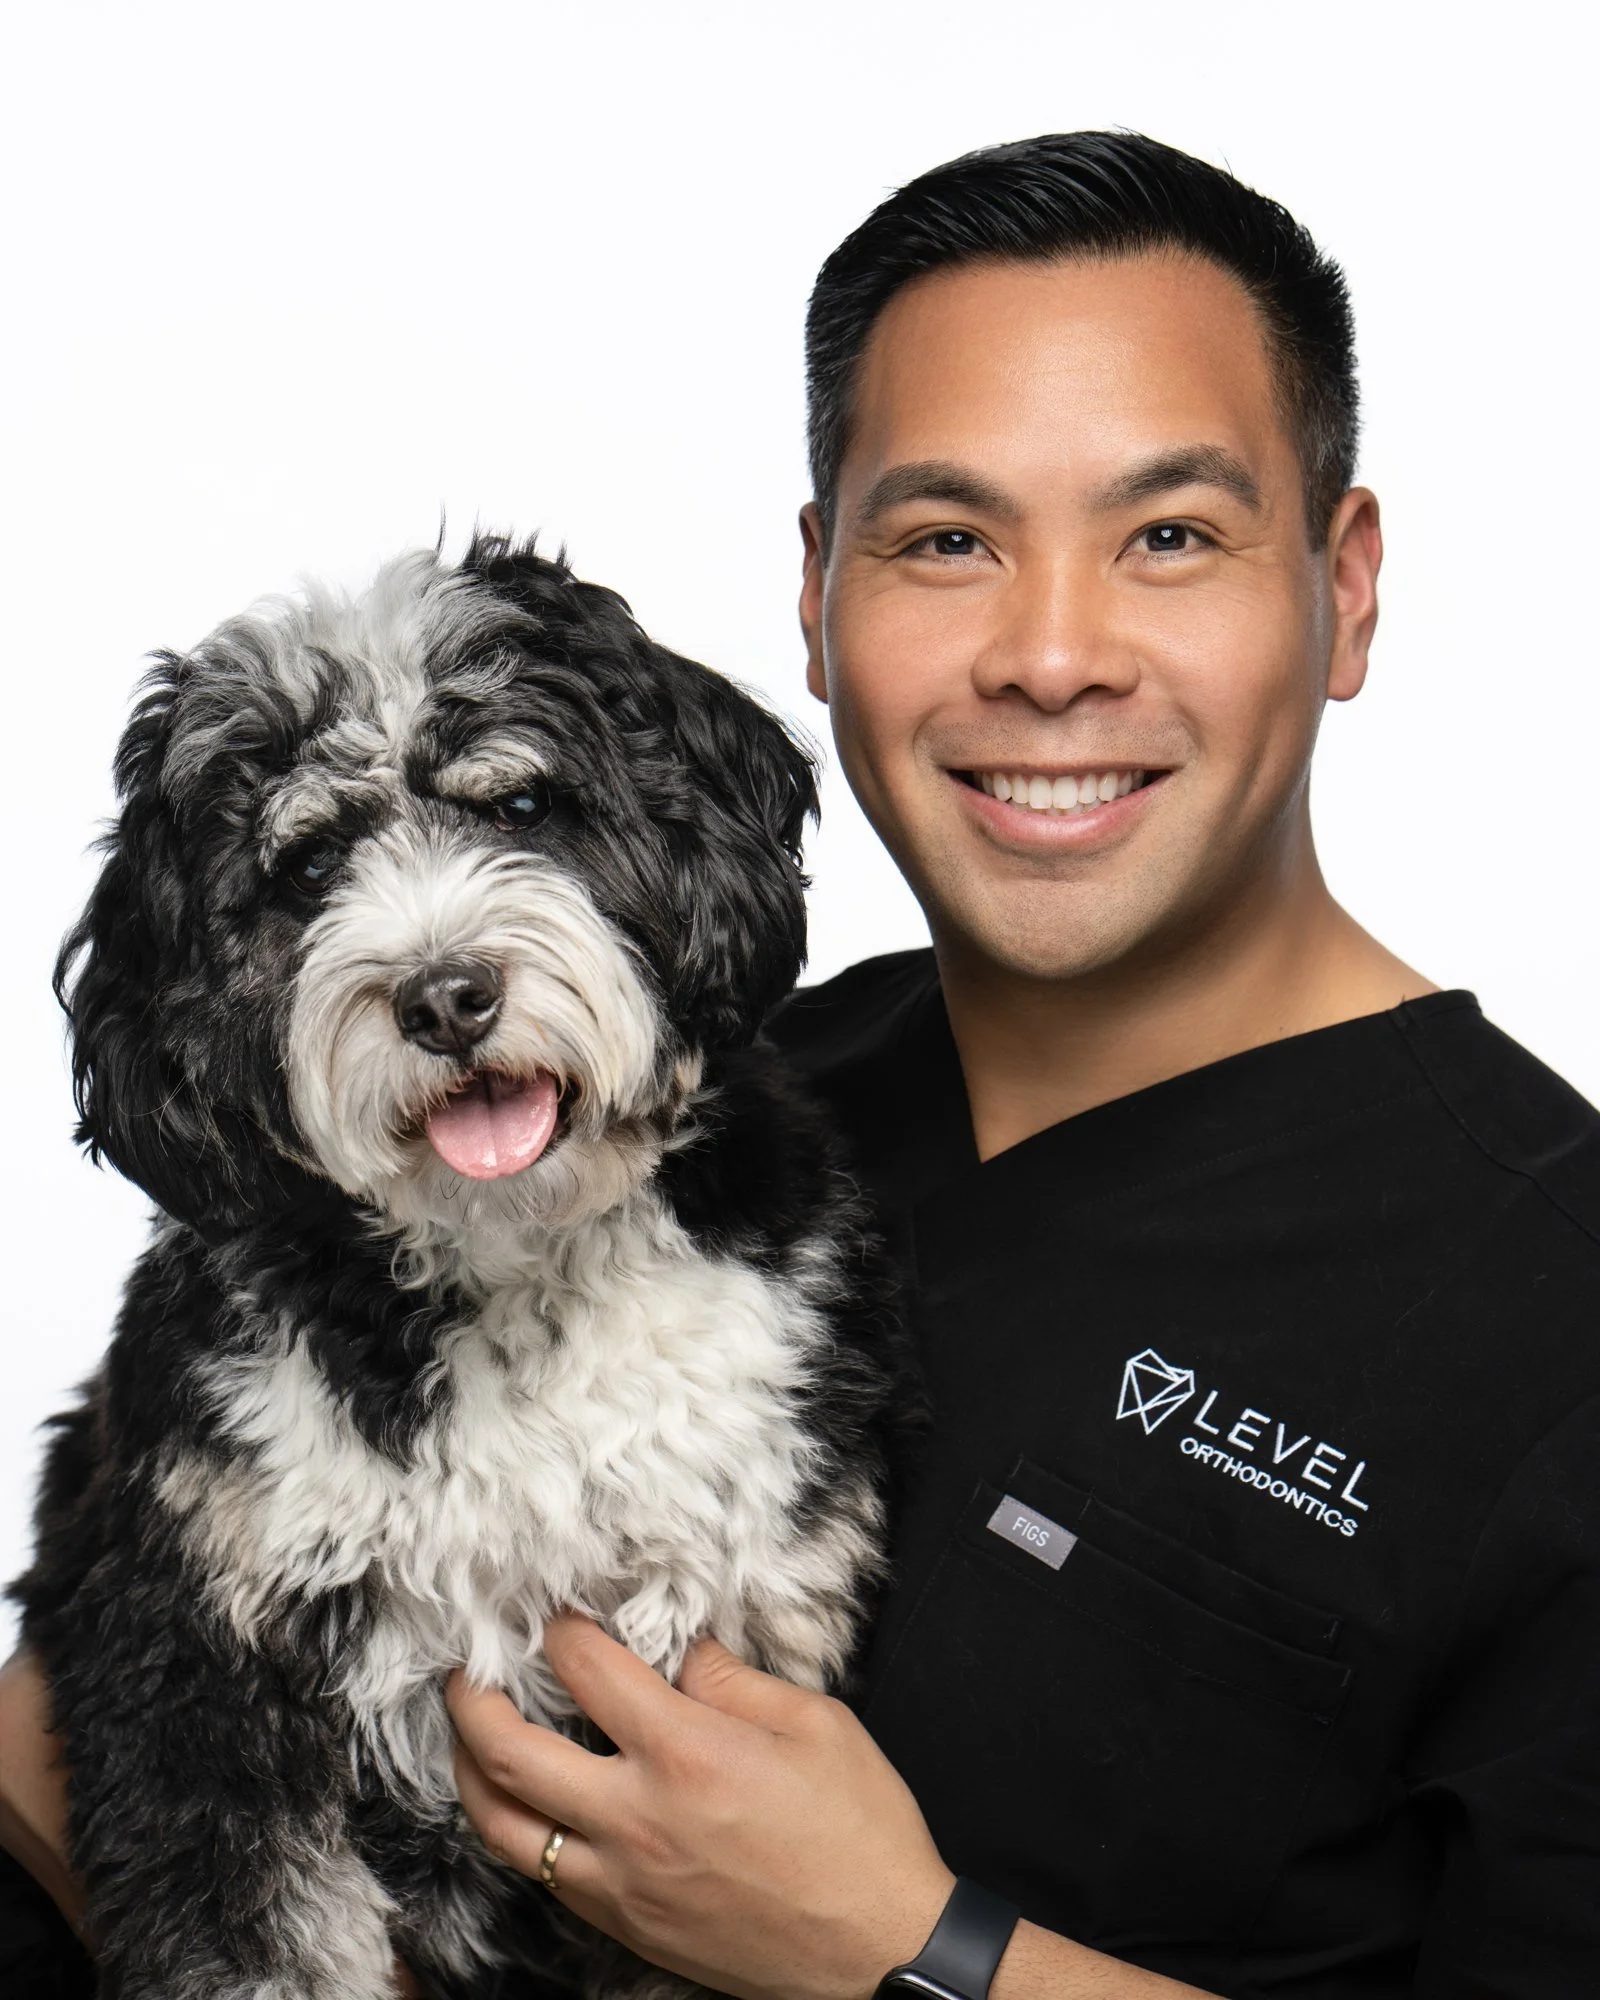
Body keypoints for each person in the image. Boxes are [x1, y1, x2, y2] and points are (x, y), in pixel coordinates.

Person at [4, 131, 1598, 1998]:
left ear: (1345, 585)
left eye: (1169, 535)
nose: (1053, 655)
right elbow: (85, 1735)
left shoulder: (1553, 1314)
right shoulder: (696, 1090)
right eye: (948, 541)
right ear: (821, 598)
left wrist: (904, 1953)